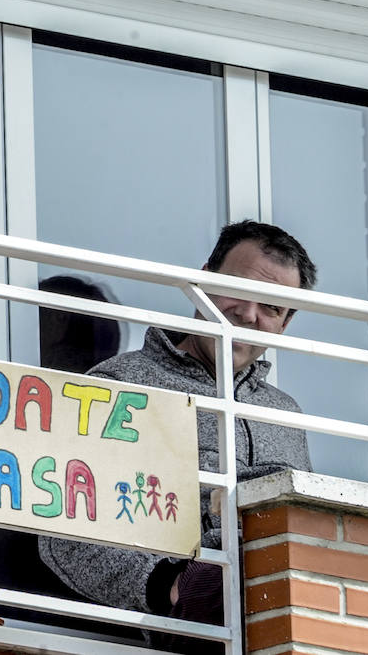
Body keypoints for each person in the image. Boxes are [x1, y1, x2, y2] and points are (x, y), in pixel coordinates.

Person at [37, 221, 316, 653]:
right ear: (202, 280)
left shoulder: (286, 415)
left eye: (272, 307)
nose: (247, 313)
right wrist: (168, 585)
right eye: (236, 288)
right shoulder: (123, 383)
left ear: (285, 323)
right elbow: (66, 534)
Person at [0, 275, 125, 633]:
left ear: (58, 322)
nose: (15, 326)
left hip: (40, 626)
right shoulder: (122, 422)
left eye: (30, 313)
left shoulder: (40, 416)